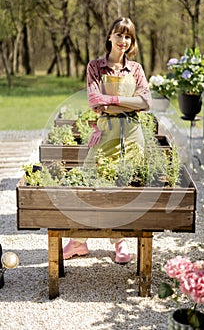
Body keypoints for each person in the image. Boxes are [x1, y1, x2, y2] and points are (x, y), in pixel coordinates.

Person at [63, 17, 152, 263]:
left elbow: (146, 102)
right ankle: (78, 241)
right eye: (119, 35)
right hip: (105, 132)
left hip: (132, 135)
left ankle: (120, 242)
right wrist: (124, 102)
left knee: (123, 188)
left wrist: (110, 101)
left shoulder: (135, 69)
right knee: (90, 183)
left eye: (128, 37)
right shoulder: (95, 67)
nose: (123, 41)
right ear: (110, 36)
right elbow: (94, 101)